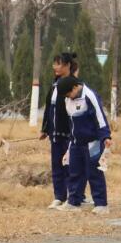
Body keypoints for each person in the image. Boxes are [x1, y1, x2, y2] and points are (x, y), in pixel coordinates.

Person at [55, 76, 112, 215]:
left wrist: (105, 136)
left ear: (75, 87)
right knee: (74, 171)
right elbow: (71, 122)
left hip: (93, 141)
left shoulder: (89, 96)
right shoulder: (67, 99)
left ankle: (101, 204)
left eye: (69, 94)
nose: (68, 97)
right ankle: (73, 201)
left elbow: (100, 116)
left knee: (94, 172)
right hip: (75, 142)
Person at [40, 52, 78, 209]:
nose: (55, 67)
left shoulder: (74, 86)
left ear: (68, 65)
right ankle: (58, 196)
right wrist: (45, 128)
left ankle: (73, 196)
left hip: (68, 133)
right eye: (54, 63)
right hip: (54, 133)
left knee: (69, 164)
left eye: (59, 63)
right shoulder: (54, 85)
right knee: (56, 164)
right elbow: (49, 108)